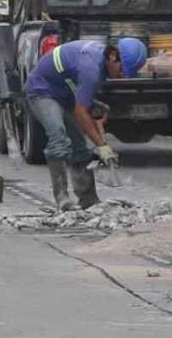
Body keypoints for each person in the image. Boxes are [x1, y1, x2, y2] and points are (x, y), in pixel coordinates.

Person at [23, 37, 149, 210]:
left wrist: (96, 107)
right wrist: (101, 145)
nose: (122, 74)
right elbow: (80, 112)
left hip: (64, 93)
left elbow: (81, 98)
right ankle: (62, 199)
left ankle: (88, 200)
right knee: (59, 139)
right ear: (113, 56)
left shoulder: (101, 62)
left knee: (80, 147)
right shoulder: (92, 67)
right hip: (42, 91)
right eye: (121, 68)